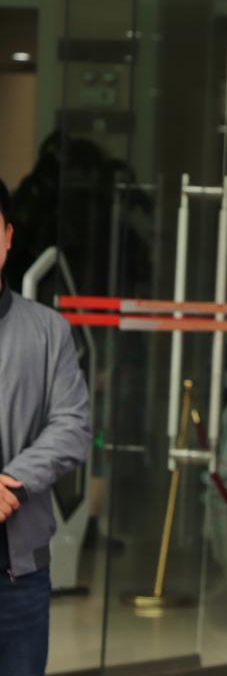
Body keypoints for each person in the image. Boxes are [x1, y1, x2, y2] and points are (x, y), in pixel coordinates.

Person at [0, 177, 91, 674]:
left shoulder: (48, 330)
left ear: (8, 237)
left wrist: (10, 481)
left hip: (21, 577)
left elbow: (72, 425)